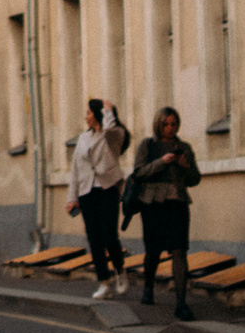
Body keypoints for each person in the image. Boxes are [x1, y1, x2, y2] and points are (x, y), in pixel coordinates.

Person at [134, 105, 202, 319]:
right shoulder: (148, 145)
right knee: (153, 250)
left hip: (177, 203)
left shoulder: (184, 147)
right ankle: (148, 287)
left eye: (174, 124)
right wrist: (161, 162)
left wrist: (184, 166)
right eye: (166, 124)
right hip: (153, 204)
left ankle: (181, 303)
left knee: (179, 250)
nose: (170, 128)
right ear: (158, 124)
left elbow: (195, 179)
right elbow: (139, 173)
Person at [69, 98, 130, 299]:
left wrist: (109, 112)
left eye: (88, 112)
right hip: (87, 193)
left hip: (107, 189)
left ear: (97, 114)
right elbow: (75, 169)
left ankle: (120, 271)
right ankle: (104, 282)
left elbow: (112, 131)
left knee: (109, 236)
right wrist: (72, 197)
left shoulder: (112, 136)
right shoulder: (83, 138)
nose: (85, 116)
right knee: (94, 239)